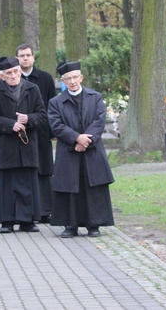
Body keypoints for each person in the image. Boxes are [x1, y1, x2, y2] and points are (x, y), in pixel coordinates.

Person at [48, 61, 115, 238]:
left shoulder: (95, 97)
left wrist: (85, 140)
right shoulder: (56, 102)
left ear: (81, 78)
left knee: (92, 187)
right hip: (68, 152)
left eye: (75, 77)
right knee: (70, 188)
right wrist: (76, 138)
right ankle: (70, 225)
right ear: (63, 81)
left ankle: (94, 225)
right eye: (68, 79)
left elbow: (99, 121)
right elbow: (56, 125)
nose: (72, 81)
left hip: (92, 151)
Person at [0, 57, 47, 234]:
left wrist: (29, 119)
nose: (13, 76)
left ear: (20, 71)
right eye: (9, 73)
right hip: (5, 146)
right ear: (2, 76)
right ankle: (7, 220)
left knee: (27, 183)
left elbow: (42, 114)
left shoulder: (32, 89)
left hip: (27, 145)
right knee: (6, 185)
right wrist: (10, 125)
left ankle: (28, 220)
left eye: (16, 72)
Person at [16, 43, 56, 224]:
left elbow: (52, 105)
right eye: (22, 55)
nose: (25, 58)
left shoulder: (45, 78)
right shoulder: (13, 78)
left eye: (28, 55)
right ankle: (27, 210)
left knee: (44, 170)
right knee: (24, 170)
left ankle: (46, 209)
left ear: (33, 57)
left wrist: (53, 130)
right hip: (19, 132)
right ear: (17, 58)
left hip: (41, 131)